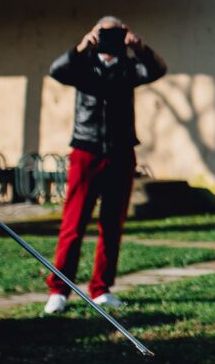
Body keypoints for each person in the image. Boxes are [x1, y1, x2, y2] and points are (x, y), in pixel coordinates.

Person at [41, 17, 167, 314]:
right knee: (73, 224)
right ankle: (59, 289)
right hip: (86, 150)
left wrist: (141, 48)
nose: (111, 39)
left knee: (112, 225)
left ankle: (101, 288)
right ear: (96, 34)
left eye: (117, 32)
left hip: (121, 152)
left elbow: (157, 70)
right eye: (105, 32)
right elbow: (56, 70)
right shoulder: (83, 66)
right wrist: (82, 46)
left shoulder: (128, 67)